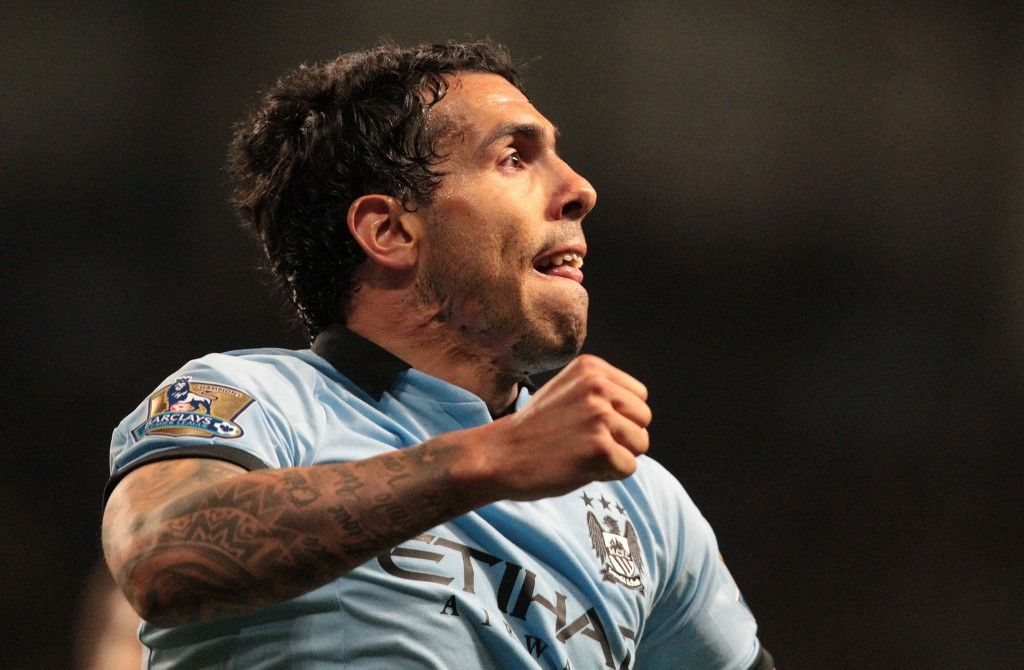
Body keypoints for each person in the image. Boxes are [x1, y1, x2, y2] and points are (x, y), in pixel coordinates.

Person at [101, 41, 774, 669]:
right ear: (391, 230)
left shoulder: (640, 503)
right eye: (514, 156)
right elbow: (162, 557)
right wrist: (489, 458)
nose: (580, 190)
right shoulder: (256, 399)